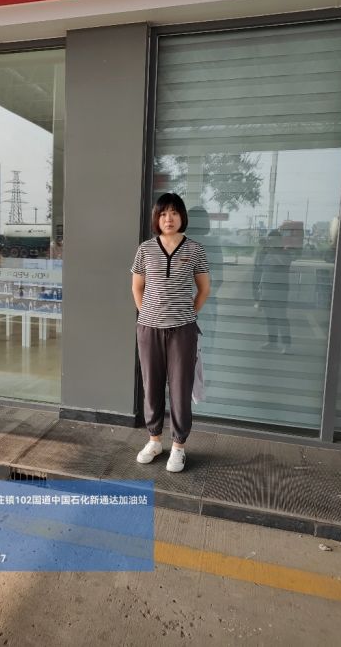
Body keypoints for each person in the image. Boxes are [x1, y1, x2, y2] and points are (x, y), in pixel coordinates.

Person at [131, 193, 210, 472]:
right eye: (163, 213)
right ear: (157, 218)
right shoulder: (145, 249)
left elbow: (204, 289)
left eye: (174, 213)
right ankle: (154, 440)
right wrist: (148, 314)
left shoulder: (195, 250)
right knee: (151, 386)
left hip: (182, 331)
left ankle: (178, 446)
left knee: (180, 388)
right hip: (149, 329)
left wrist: (187, 314)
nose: (169, 218)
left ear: (182, 217)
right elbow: (137, 287)